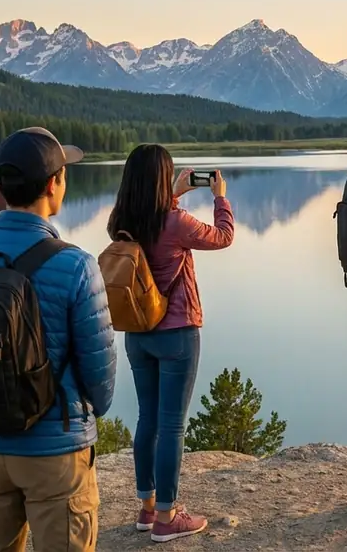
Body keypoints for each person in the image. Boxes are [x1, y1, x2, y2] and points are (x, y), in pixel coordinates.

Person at [0, 127, 116, 552]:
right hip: (56, 453)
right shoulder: (76, 266)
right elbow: (100, 375)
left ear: (0, 190)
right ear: (54, 185)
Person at [105, 144, 234, 543]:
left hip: (138, 332)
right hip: (177, 332)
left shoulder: (120, 221)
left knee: (148, 419)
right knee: (172, 425)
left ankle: (147, 508)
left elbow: (152, 215)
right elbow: (223, 237)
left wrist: (174, 194)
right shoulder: (175, 221)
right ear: (163, 178)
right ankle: (167, 516)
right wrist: (220, 198)